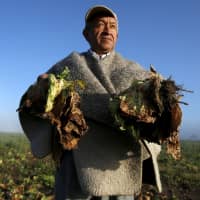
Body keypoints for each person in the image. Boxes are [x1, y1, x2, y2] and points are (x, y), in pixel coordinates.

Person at [19, 5, 162, 200]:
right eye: (100, 25)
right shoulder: (68, 66)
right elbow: (34, 103)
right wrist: (41, 90)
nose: (107, 30)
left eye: (112, 26)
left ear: (117, 36)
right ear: (86, 34)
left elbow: (156, 116)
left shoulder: (136, 71)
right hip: (78, 163)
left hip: (119, 165)